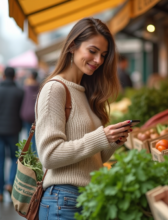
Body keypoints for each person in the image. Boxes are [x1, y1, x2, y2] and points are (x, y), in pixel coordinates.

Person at [36, 17, 132, 220]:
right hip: (63, 200)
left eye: (103, 55)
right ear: (72, 46)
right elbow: (49, 155)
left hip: (85, 198)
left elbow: (91, 158)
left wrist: (112, 141)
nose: (98, 60)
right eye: (92, 51)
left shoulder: (85, 92)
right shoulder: (55, 88)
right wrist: (100, 137)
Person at [0, 67, 24, 202]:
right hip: (13, 130)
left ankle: (0, 192)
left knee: (0, 160)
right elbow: (22, 112)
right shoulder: (20, 91)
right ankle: (10, 183)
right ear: (14, 77)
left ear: (3, 76)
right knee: (15, 159)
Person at [20, 70, 39, 155]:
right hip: (36, 115)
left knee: (29, 135)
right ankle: (35, 154)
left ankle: (29, 154)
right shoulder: (40, 88)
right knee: (35, 136)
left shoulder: (26, 88)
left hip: (26, 115)